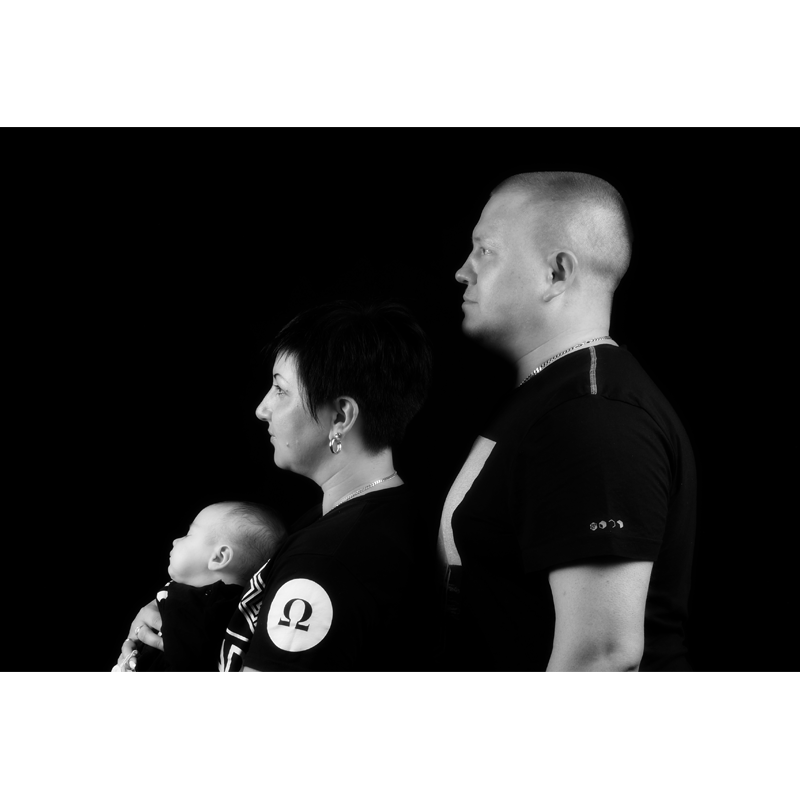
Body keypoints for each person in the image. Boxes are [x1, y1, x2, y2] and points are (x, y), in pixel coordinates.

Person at [439, 171, 696, 671]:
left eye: (485, 251)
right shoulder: (548, 397)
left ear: (556, 273)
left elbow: (601, 656)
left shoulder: (595, 417)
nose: (463, 271)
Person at [124, 300, 434, 672]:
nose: (262, 408)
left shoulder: (326, 561)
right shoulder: (376, 511)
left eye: (281, 390)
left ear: (340, 416)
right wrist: (172, 618)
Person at [115, 500, 285, 671]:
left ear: (219, 557)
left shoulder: (191, 604)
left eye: (188, 535)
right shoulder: (235, 608)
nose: (175, 541)